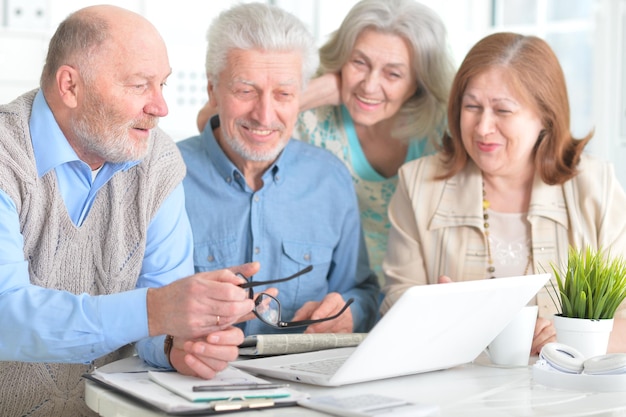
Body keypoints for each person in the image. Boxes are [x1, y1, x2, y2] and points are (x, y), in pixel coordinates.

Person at [0, 6, 260, 416]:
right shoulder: (6, 156)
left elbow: (159, 323)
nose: (161, 107)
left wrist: (180, 345)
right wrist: (156, 310)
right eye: (140, 85)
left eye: (163, 84)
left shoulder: (157, 161)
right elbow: (5, 314)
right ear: (70, 86)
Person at [380, 32, 626, 355]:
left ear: (545, 117)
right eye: (472, 107)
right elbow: (394, 308)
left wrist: (564, 340)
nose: (483, 128)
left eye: (503, 110)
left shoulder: (596, 185)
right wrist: (437, 315)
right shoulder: (418, 184)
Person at [195, 0, 454, 286]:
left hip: (409, 286)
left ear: (418, 81)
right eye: (359, 63)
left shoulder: (441, 128)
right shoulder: (311, 115)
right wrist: (311, 92)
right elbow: (216, 122)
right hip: (337, 283)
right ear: (341, 58)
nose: (369, 85)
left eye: (392, 74)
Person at [178, 3, 380, 337]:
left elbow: (362, 291)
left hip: (307, 384)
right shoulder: (168, 179)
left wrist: (348, 314)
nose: (264, 115)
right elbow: (144, 310)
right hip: (189, 381)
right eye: (246, 91)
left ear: (300, 96)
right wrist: (174, 348)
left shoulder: (330, 179)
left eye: (284, 94)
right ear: (213, 90)